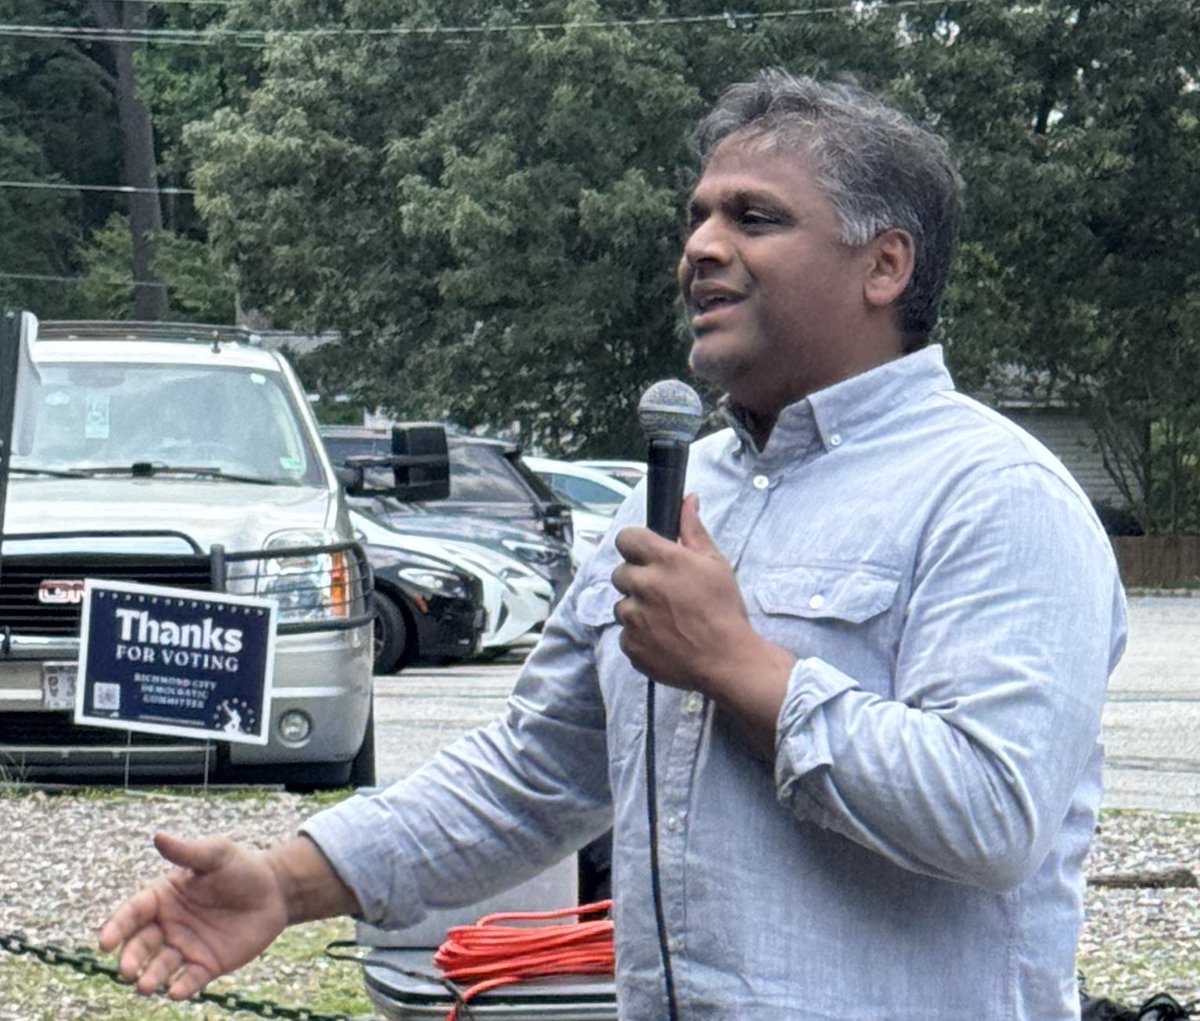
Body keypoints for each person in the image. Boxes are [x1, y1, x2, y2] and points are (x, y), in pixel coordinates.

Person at [99, 69, 1127, 1020]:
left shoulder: (996, 496)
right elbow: (534, 771)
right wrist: (285, 880)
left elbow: (994, 814)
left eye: (755, 217)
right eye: (699, 216)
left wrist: (739, 666)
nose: (702, 247)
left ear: (884, 264)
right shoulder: (688, 492)